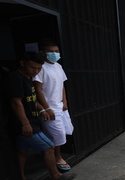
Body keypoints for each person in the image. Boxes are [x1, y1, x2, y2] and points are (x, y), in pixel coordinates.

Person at [5, 52, 76, 180]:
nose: (36, 71)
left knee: (22, 151)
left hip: (31, 121)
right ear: (22, 63)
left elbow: (31, 99)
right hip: (25, 123)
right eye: (32, 67)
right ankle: (56, 175)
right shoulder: (15, 77)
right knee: (49, 146)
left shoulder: (28, 78)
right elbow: (16, 102)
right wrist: (25, 123)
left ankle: (21, 176)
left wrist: (42, 110)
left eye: (38, 68)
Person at [32, 39, 72, 172]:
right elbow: (38, 90)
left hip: (60, 105)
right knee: (58, 134)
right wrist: (47, 108)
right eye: (51, 52)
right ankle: (57, 157)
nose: (54, 54)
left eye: (56, 51)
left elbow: (62, 85)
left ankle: (51, 154)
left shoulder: (58, 66)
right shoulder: (40, 67)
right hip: (48, 108)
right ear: (42, 53)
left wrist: (64, 101)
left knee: (65, 131)